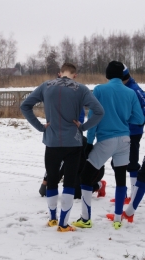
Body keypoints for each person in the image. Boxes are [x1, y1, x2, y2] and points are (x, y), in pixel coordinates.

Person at [20, 62, 104, 232]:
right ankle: (63, 224)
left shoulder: (46, 85)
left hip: (51, 141)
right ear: (75, 75)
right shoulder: (80, 88)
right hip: (73, 142)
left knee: (52, 180)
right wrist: (83, 127)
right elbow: (99, 111)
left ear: (59, 73)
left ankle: (52, 219)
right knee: (69, 183)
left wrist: (39, 126)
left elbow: (25, 106)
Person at [71, 61, 144, 230]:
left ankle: (86, 218)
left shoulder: (100, 90)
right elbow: (140, 119)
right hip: (125, 140)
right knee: (120, 179)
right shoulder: (130, 93)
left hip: (105, 140)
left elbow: (94, 118)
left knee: (85, 176)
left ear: (107, 74)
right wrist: (124, 120)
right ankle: (118, 219)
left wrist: (89, 142)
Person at [110, 65, 145, 204]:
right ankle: (123, 193)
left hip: (133, 132)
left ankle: (133, 195)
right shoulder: (122, 88)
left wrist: (137, 123)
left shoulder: (135, 90)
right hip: (121, 131)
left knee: (131, 163)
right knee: (116, 163)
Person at [39, 136, 106, 199]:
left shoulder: (73, 142)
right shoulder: (58, 142)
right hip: (77, 170)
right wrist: (45, 184)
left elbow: (59, 168)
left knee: (76, 194)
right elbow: (53, 165)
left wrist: (49, 185)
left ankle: (98, 184)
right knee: (69, 188)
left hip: (94, 170)